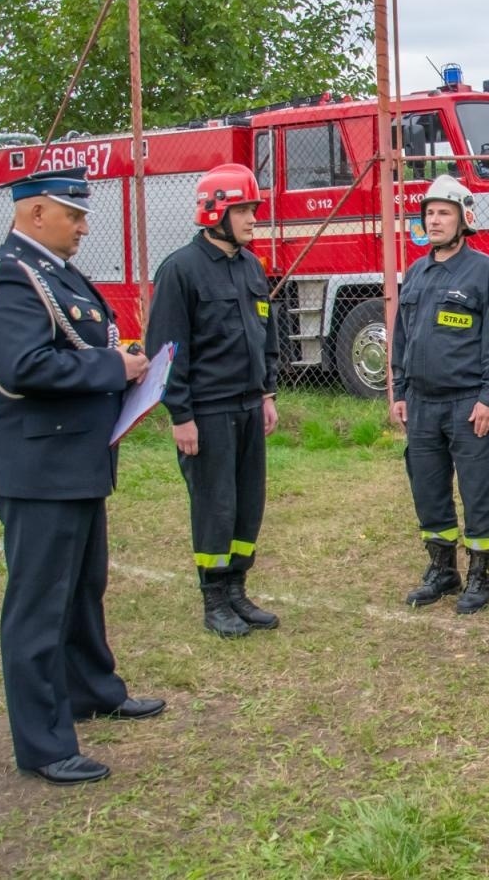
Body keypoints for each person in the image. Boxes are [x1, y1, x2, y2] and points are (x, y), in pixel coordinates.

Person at [0, 166, 161, 785]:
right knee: (39, 606)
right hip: (37, 466)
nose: (83, 225)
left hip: (75, 463)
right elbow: (18, 367)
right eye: (72, 214)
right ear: (34, 214)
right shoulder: (11, 273)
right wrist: (115, 369)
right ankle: (46, 743)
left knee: (83, 589)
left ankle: (92, 691)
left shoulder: (57, 272)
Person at [146, 164, 282, 637]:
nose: (252, 219)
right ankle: (214, 599)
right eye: (243, 210)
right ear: (215, 212)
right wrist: (180, 414)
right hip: (207, 411)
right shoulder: (181, 269)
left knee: (248, 503)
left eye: (252, 210)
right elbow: (166, 351)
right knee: (215, 504)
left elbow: (267, 334)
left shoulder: (251, 266)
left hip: (248, 406)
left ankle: (238, 590)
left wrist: (267, 392)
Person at [392, 175, 489, 613]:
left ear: (465, 218)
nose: (435, 219)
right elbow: (402, 336)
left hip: (469, 403)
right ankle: (443, 570)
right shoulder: (417, 272)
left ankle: (481, 577)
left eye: (444, 212)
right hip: (422, 404)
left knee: (478, 490)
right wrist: (399, 388)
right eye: (429, 213)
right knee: (428, 489)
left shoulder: (484, 271)